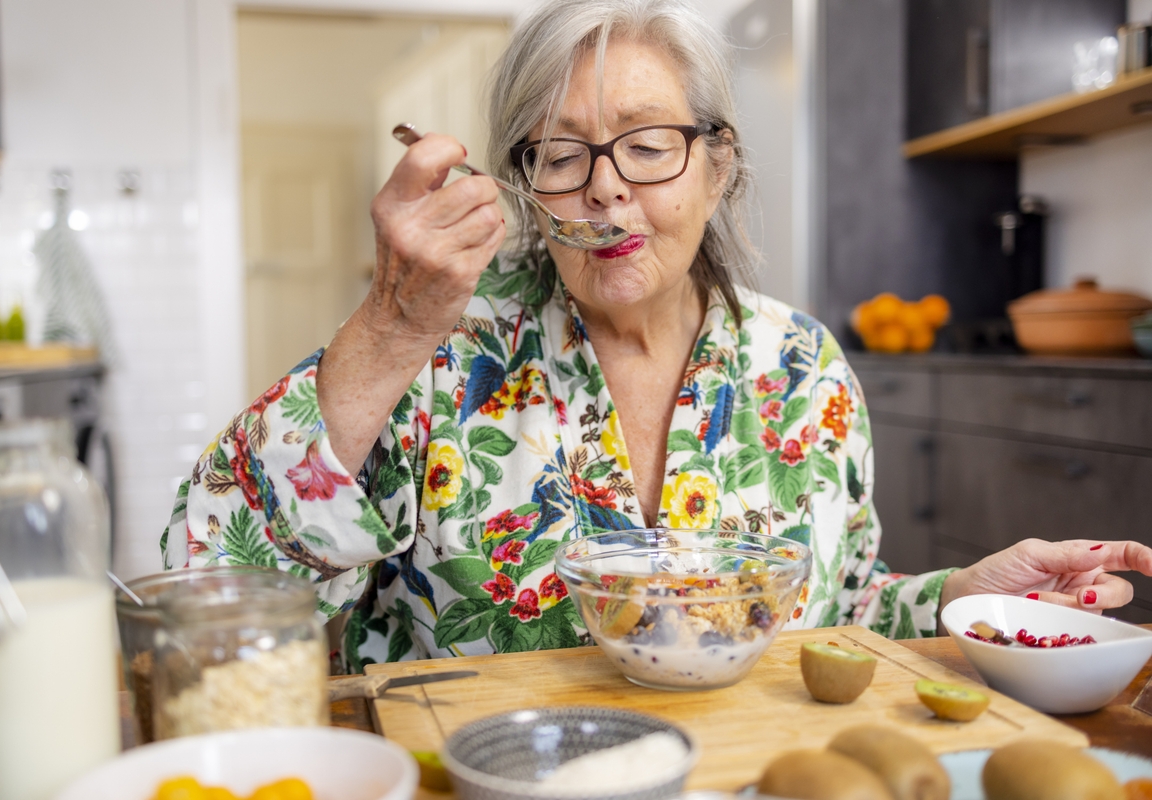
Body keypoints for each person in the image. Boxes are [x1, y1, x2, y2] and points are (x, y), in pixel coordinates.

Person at [163, 0, 1152, 671]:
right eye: (562, 153)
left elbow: (839, 610)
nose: (605, 184)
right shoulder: (437, 352)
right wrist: (387, 327)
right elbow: (203, 584)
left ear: (718, 166)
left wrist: (959, 597)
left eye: (647, 144)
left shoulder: (801, 368)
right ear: (522, 182)